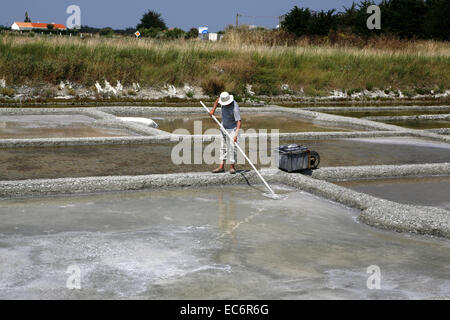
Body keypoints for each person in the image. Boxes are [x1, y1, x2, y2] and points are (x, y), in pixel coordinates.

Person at [209, 92, 241, 174]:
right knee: (223, 147)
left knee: (232, 148)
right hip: (223, 126)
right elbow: (217, 100)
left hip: (233, 129)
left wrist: (236, 135)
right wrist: (213, 109)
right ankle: (221, 167)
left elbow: (239, 122)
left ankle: (232, 167)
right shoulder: (222, 99)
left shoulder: (235, 107)